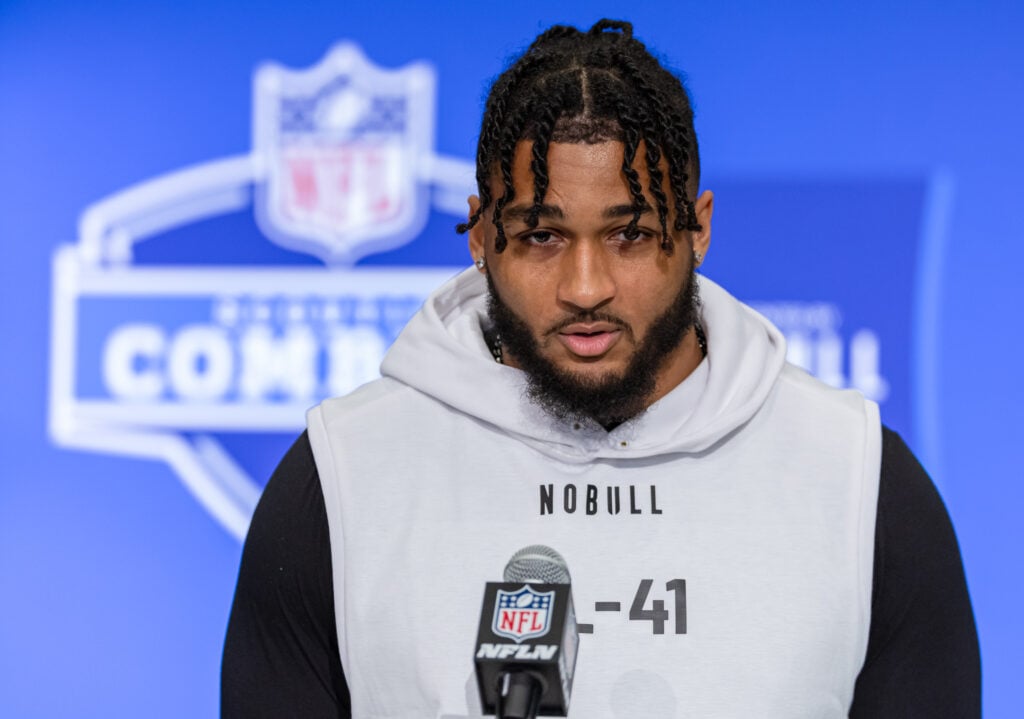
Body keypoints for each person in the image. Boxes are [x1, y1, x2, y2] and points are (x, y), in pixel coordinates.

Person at [222, 19, 980, 718]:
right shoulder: (345, 476)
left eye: (631, 234)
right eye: (543, 235)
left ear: (699, 229)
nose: (587, 288)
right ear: (481, 233)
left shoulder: (856, 479)